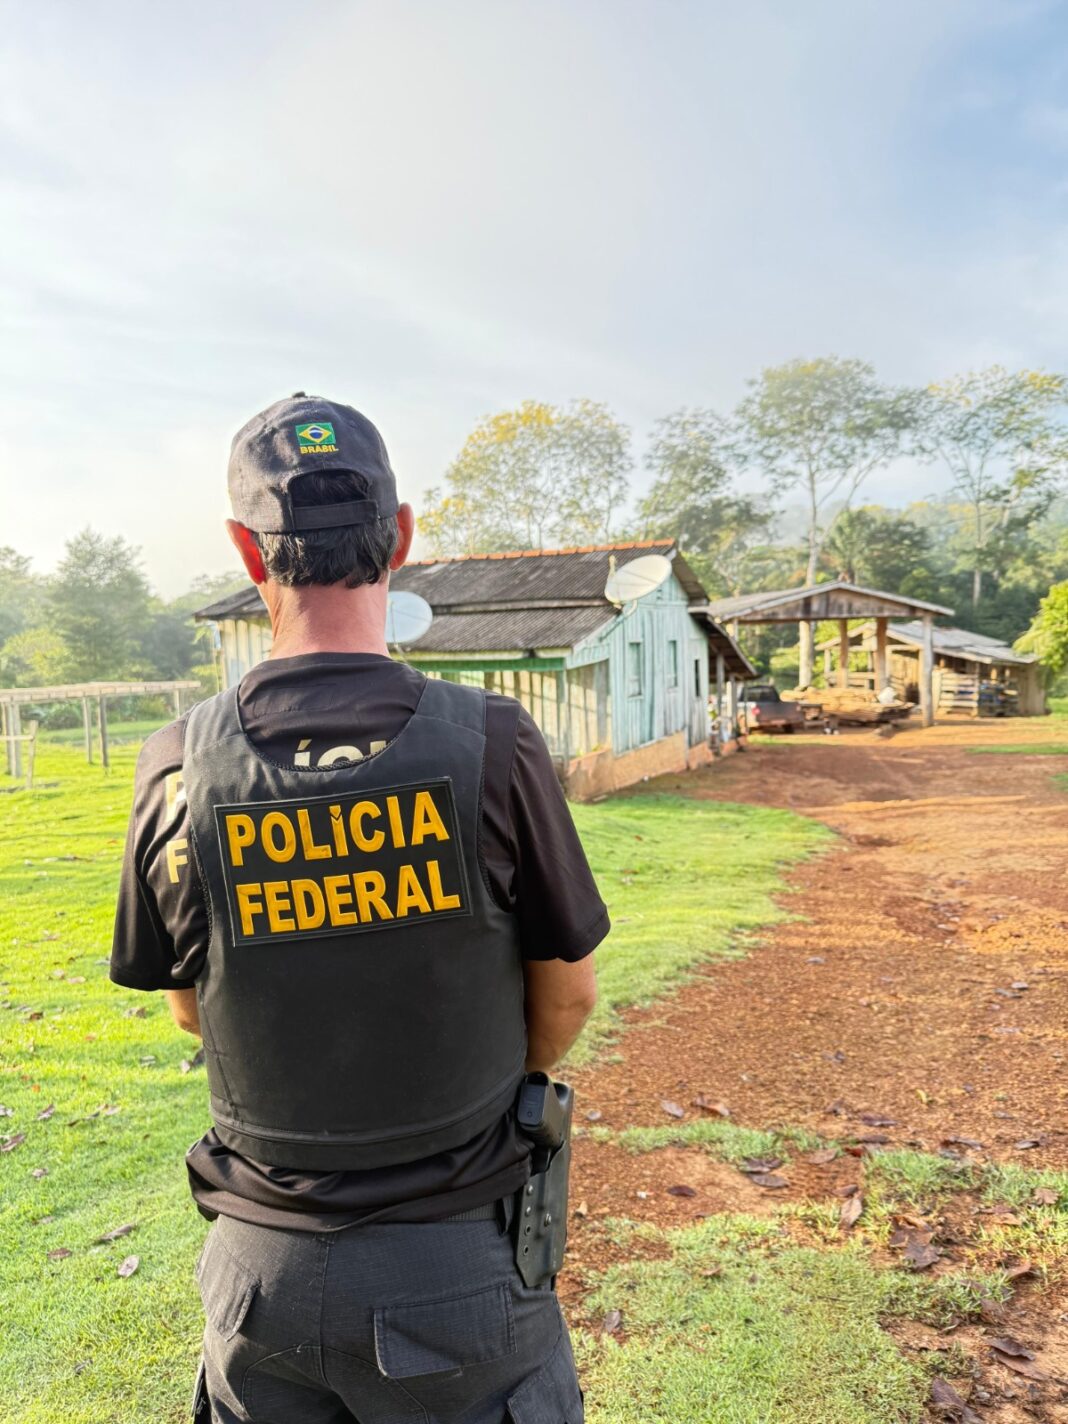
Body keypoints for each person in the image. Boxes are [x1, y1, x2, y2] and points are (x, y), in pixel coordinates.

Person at [109, 394, 607, 1423]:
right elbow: (566, 996)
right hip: (459, 1271)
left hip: (259, 1281)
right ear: (403, 536)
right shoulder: (493, 742)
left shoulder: (177, 765)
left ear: (247, 549)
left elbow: (191, 1008)